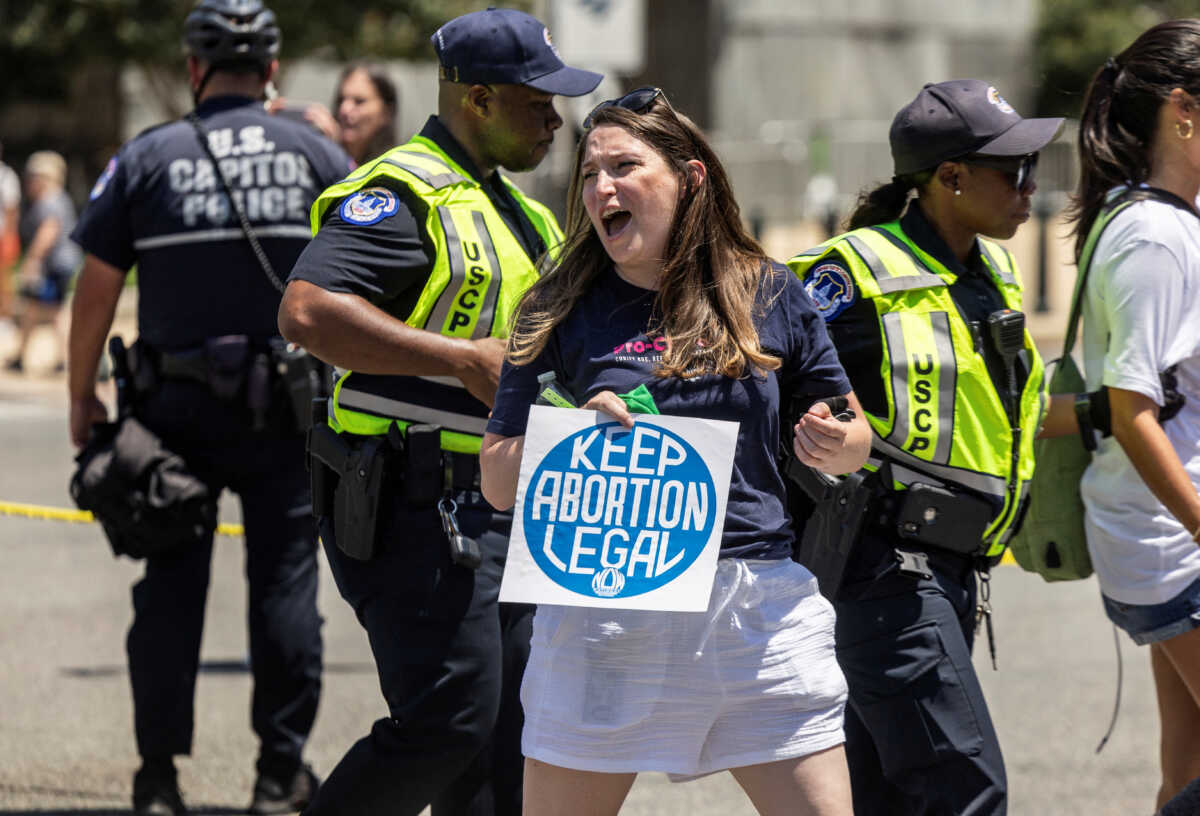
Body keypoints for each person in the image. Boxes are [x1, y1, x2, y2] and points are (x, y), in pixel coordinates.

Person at [479, 86, 871, 816]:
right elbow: (498, 484)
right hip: (606, 616)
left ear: (690, 177)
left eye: (625, 167)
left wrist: (833, 439)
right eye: (590, 174)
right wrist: (561, 438)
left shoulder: (769, 292)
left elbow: (853, 437)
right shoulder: (555, 306)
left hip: (756, 613)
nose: (602, 189)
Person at [277, 8, 600, 815]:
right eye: (538, 103)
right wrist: (456, 359)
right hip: (416, 504)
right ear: (479, 99)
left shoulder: (520, 213)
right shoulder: (402, 194)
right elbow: (307, 313)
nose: (555, 121)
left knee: (506, 741)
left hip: (504, 513)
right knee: (448, 722)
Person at [66, 1, 353, 814]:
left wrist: (79, 391)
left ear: (193, 70)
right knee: (286, 592)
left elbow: (96, 285)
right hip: (289, 415)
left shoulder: (148, 156)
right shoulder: (317, 153)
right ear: (272, 70)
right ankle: (277, 775)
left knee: (167, 592)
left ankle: (157, 779)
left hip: (172, 417)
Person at [786, 80, 1068, 815]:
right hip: (884, 574)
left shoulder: (991, 271)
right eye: (1014, 171)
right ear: (950, 178)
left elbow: (999, 416)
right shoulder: (850, 275)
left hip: (953, 572)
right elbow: (773, 388)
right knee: (964, 792)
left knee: (882, 795)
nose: (1030, 188)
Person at [1069, 20, 1200, 811]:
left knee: (1184, 769)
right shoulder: (1153, 235)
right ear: (1183, 110)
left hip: (1159, 537)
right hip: (1171, 543)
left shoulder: (1169, 217)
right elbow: (1130, 410)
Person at [4, 150, 81, 373]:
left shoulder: (50, 200)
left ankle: (66, 359)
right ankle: (22, 355)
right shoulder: (58, 198)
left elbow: (49, 231)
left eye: (33, 176)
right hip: (61, 264)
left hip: (54, 265)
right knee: (33, 309)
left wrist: (32, 260)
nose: (29, 182)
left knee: (54, 312)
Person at [332, 62, 398, 166]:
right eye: (340, 100)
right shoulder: (323, 158)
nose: (344, 109)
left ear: (386, 112)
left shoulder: (395, 169)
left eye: (359, 101)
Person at [0, 139, 20, 320]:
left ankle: (4, 317)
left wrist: (8, 237)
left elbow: (12, 210)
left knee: (4, 279)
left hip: (2, 235)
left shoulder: (7, 176)